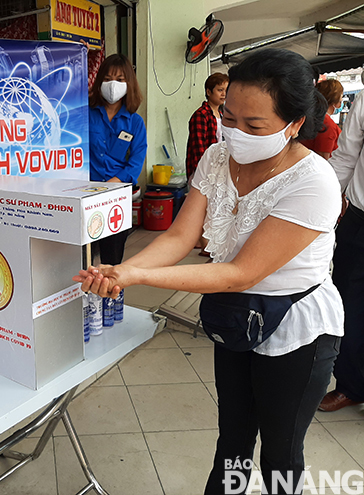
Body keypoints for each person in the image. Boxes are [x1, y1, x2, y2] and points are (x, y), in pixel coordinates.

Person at [75, 48, 343, 495]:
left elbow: (240, 273)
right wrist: (124, 268)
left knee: (281, 452)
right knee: (233, 442)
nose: (236, 133)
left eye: (254, 125)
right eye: (230, 117)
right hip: (237, 315)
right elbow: (181, 237)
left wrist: (137, 278)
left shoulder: (312, 182)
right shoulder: (218, 158)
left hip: (295, 329)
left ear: (295, 124)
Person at [319, 84, 364, 412]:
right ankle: (351, 385)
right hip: (360, 220)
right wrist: (325, 205)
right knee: (349, 304)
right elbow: (346, 155)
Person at [89, 53, 147, 265]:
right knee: (81, 256)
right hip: (86, 193)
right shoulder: (86, 114)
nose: (113, 84)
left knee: (111, 259)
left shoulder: (135, 122)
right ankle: (80, 297)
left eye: (120, 80)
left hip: (116, 197)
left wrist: (114, 183)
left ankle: (110, 298)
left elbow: (136, 160)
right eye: (107, 78)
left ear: (128, 83)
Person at [186, 73, 229, 179]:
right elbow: (198, 148)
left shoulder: (222, 114)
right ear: (208, 92)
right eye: (220, 90)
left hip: (219, 170)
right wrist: (203, 172)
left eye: (226, 90)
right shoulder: (201, 115)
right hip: (203, 171)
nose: (224, 94)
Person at [301, 79, 343, 160]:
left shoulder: (312, 117)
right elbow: (323, 158)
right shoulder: (327, 124)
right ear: (336, 100)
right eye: (341, 97)